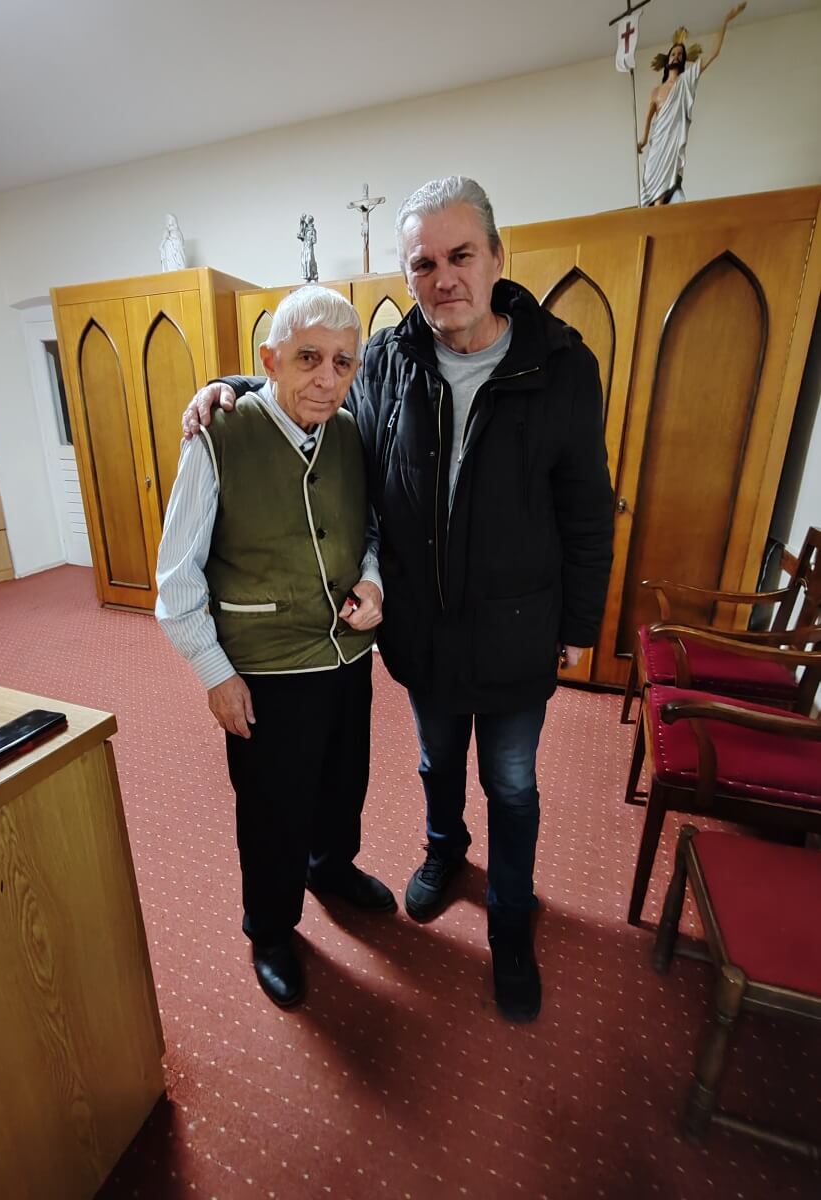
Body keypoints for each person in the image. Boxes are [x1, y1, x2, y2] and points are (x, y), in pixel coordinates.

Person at [182, 177, 614, 1022]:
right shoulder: (388, 357)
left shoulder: (562, 364)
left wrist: (579, 622)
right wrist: (224, 387)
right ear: (408, 274)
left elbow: (588, 510)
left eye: (461, 255)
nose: (443, 277)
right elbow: (311, 385)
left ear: (497, 257)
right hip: (423, 627)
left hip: (518, 627)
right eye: (423, 263)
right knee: (434, 763)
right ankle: (444, 853)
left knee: (512, 782)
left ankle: (509, 922)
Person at [157, 285, 395, 1010]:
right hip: (264, 669)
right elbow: (175, 578)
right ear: (270, 360)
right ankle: (269, 927)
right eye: (308, 358)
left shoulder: (351, 432)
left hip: (347, 657)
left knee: (343, 782)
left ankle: (331, 867)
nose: (327, 377)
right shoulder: (218, 436)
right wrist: (215, 673)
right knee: (271, 808)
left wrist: (373, 581)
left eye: (343, 363)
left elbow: (369, 530)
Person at [638, 4, 747, 207]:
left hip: (673, 139)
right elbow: (648, 119)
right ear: (667, 60)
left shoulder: (686, 80)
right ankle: (653, 208)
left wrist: (725, 21)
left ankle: (660, 207)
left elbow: (713, 53)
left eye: (680, 54)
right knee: (651, 177)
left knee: (666, 183)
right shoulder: (655, 91)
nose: (677, 56)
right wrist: (642, 141)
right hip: (658, 141)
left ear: (683, 60)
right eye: (673, 54)